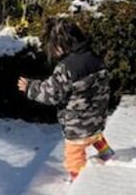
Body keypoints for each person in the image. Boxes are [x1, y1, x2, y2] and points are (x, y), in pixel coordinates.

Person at [17, 20, 114, 181]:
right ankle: (107, 154)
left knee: (73, 156)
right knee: (95, 136)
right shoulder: (95, 58)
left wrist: (30, 88)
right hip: (98, 119)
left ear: (62, 44)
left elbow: (50, 94)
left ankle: (78, 182)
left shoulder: (66, 67)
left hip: (77, 127)